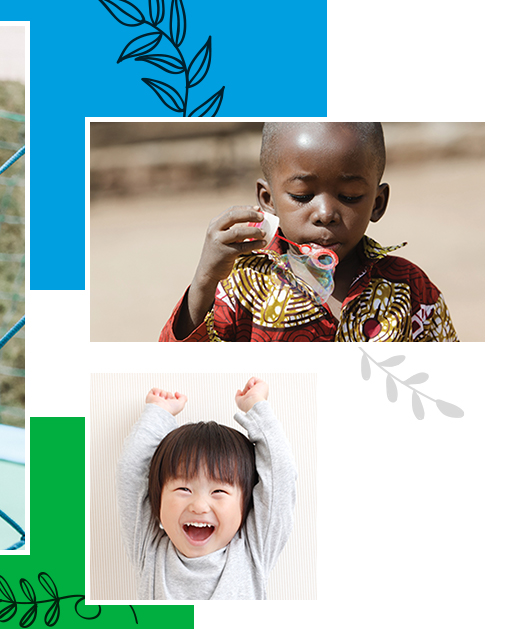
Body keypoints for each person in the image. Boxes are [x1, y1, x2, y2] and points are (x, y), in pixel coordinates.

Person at [162, 122, 457, 341]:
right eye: (302, 196)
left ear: (378, 204)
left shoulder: (409, 288)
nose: (325, 214)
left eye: (350, 196)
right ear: (268, 200)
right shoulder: (243, 284)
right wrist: (205, 279)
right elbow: (182, 368)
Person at [117, 378, 295, 600]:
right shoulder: (150, 551)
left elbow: (281, 474)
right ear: (158, 497)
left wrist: (256, 406)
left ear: (245, 503)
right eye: (184, 488)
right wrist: (158, 413)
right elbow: (131, 472)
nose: (199, 506)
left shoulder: (253, 552)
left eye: (218, 492)